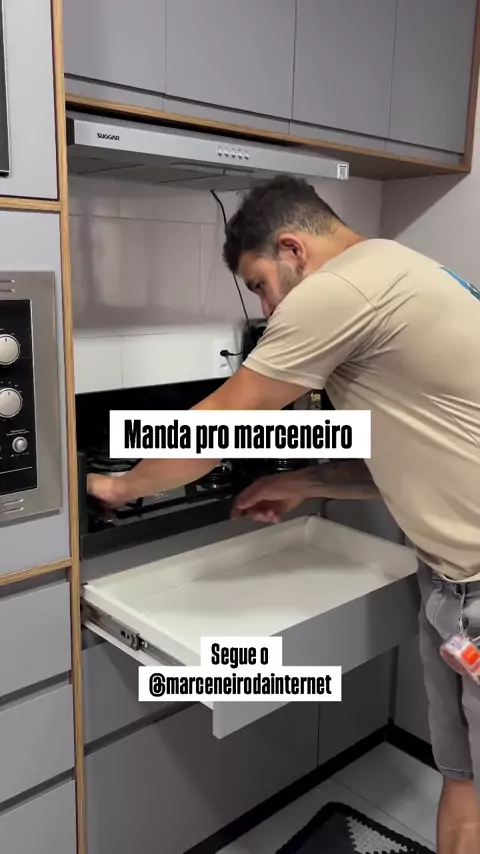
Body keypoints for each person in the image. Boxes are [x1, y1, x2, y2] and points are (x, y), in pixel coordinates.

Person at [87, 175, 480, 853]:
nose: (267, 308)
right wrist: (301, 481)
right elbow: (416, 454)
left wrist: (117, 488)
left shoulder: (340, 289)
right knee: (462, 777)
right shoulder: (401, 269)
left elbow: (212, 426)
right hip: (449, 580)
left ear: (293, 249)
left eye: (261, 285)